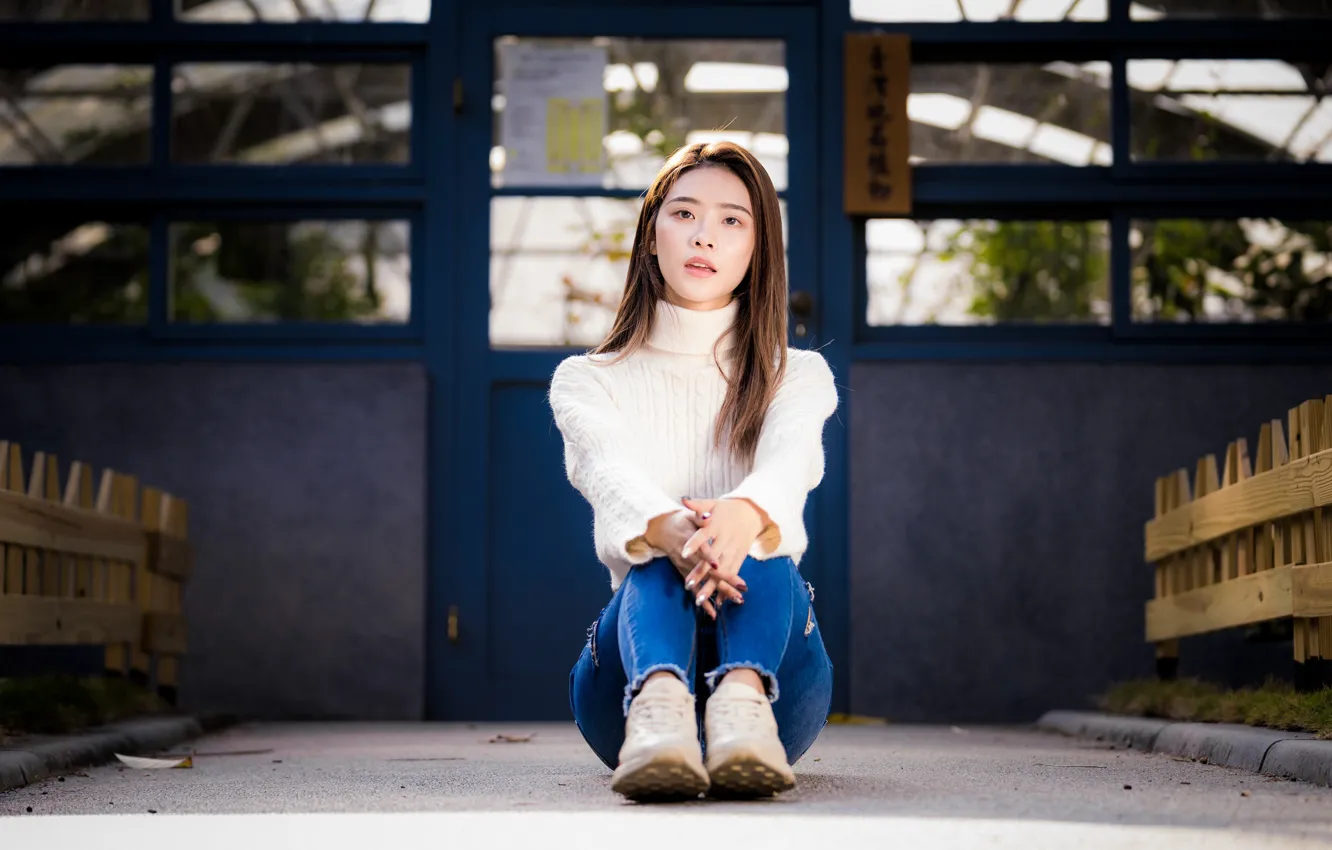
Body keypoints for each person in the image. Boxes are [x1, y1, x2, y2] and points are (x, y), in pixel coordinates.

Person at [548, 140, 838, 802]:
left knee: (755, 523)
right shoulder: (587, 382)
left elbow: (790, 465)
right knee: (654, 536)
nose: (705, 235)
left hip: (779, 694)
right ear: (652, 236)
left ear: (758, 248)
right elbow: (610, 473)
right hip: (623, 693)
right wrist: (673, 529)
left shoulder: (798, 375)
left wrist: (734, 519)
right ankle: (662, 705)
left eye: (733, 220)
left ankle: (740, 702)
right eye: (684, 214)